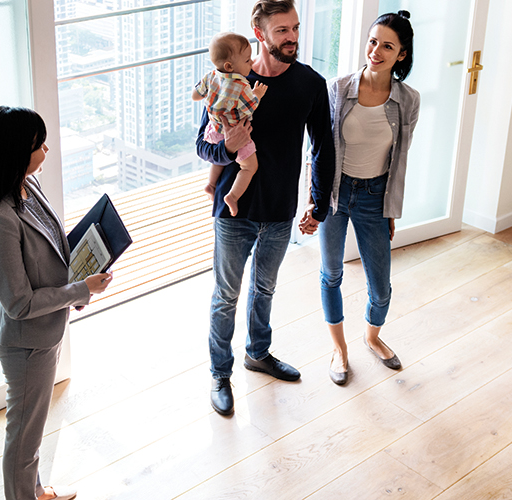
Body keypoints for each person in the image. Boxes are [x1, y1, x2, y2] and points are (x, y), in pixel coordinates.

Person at [197, 0, 335, 416]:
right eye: (282, 31)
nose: (292, 37)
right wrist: (227, 146)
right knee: (226, 296)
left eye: (294, 28)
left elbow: (323, 147)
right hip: (233, 213)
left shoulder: (310, 83)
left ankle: (258, 353)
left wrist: (319, 202)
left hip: (279, 212)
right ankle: (220, 374)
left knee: (265, 289)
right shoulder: (228, 80)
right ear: (259, 34)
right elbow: (203, 146)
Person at [0, 106, 111, 500]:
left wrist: (82, 274)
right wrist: (81, 290)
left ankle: (35, 491)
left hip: (43, 330)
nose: (46, 148)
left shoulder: (27, 187)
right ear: (14, 152)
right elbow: (18, 303)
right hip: (26, 341)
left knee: (32, 425)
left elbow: (50, 248)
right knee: (25, 433)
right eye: (37, 144)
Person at [299, 11, 420, 385]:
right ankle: (339, 349)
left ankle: (372, 336)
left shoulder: (408, 101)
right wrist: (313, 202)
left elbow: (400, 160)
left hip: (374, 196)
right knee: (331, 273)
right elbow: (317, 151)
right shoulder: (337, 89)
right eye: (373, 41)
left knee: (380, 286)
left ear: (401, 55)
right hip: (336, 194)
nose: (376, 51)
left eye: (387, 46)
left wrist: (391, 211)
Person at [192, 31, 269, 216]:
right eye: (247, 60)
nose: (251, 63)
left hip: (213, 130)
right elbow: (249, 108)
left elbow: (195, 96)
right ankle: (232, 196)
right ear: (229, 65)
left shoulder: (210, 77)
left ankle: (211, 185)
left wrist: (208, 96)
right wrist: (257, 94)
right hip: (236, 133)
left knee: (220, 159)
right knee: (249, 166)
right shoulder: (242, 87)